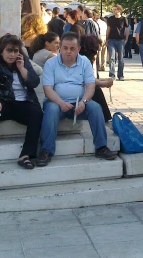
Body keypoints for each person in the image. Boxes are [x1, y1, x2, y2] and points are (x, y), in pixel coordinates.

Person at [37, 32, 117, 166]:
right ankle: (46, 151)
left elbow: (90, 86)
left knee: (96, 108)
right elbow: (48, 89)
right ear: (60, 48)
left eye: (72, 48)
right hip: (57, 102)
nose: (68, 52)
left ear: (78, 49)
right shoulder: (51, 63)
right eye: (65, 48)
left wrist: (83, 102)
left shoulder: (84, 62)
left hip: (79, 101)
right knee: (51, 109)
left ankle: (101, 147)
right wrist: (61, 103)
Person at [0, 34, 43, 169]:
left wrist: (21, 68)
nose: (12, 54)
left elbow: (34, 82)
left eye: (15, 51)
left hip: (23, 103)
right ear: (1, 51)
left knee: (37, 114)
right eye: (9, 50)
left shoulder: (24, 62)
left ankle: (26, 155)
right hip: (4, 103)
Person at [79, 35, 114, 122]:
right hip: (77, 88)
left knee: (96, 89)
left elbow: (89, 78)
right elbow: (84, 79)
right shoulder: (83, 60)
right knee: (96, 90)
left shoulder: (85, 59)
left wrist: (102, 80)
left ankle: (106, 117)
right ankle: (106, 118)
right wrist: (104, 83)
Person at [107, 5, 128, 80]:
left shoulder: (123, 19)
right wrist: (107, 38)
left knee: (121, 58)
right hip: (111, 39)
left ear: (119, 10)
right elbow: (108, 29)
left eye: (116, 9)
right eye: (113, 9)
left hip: (120, 40)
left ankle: (120, 75)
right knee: (112, 58)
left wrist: (126, 39)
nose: (114, 11)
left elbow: (127, 29)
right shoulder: (110, 19)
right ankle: (112, 74)